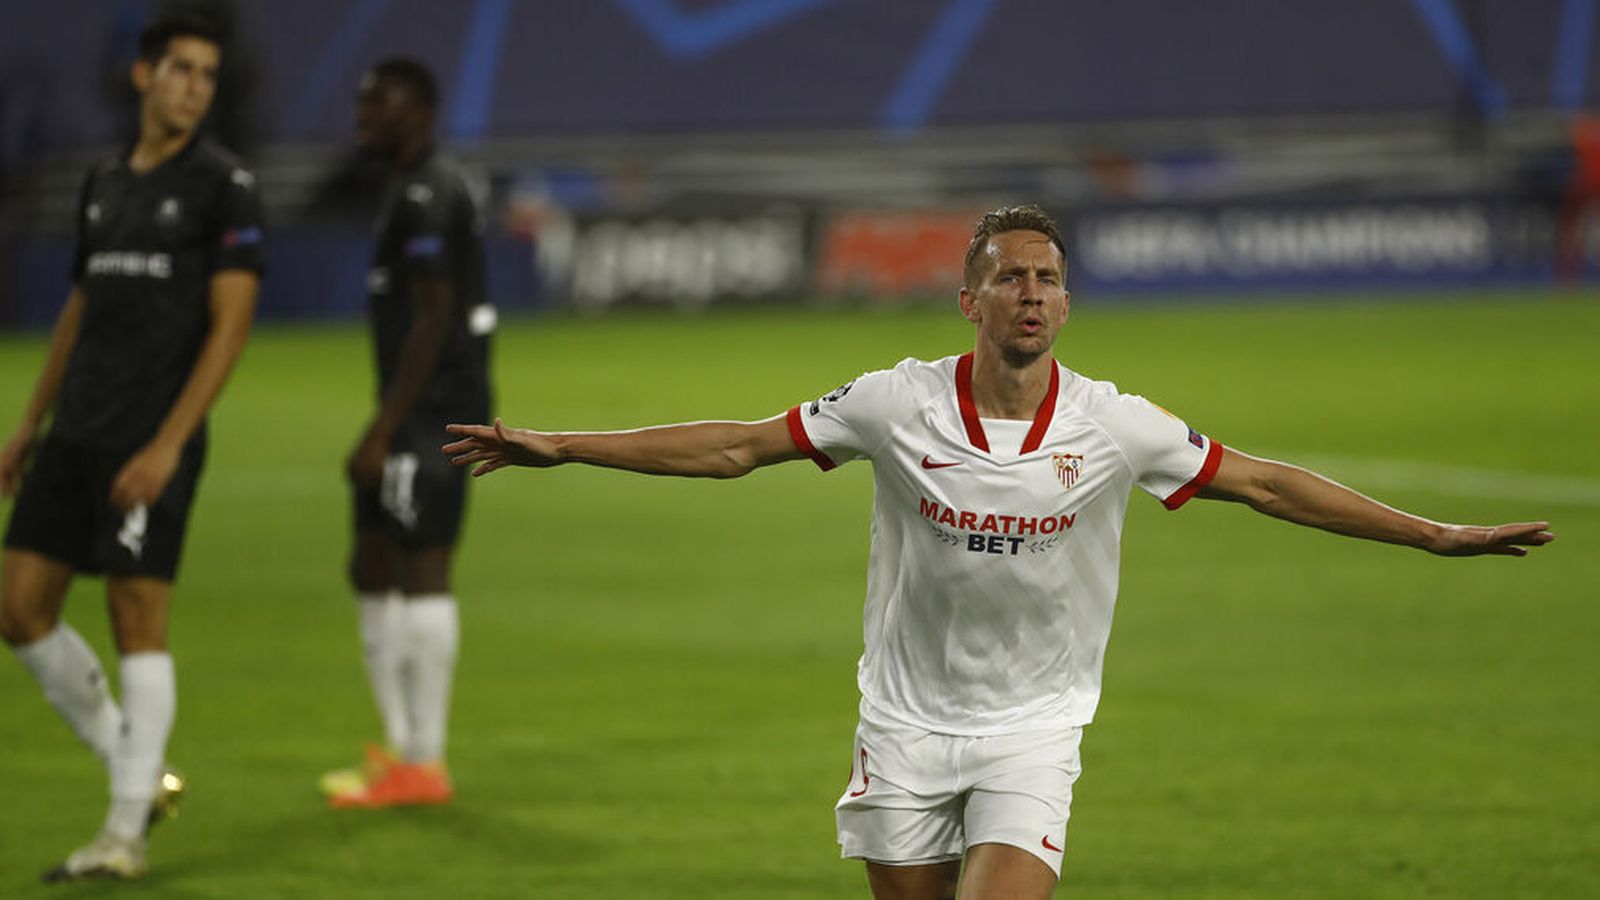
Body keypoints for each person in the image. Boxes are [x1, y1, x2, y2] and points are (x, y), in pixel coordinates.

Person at [441, 204, 1553, 900]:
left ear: (1067, 302)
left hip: (1032, 731)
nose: (1032, 293)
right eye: (1012, 276)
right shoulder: (893, 403)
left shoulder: (1114, 423)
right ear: (969, 295)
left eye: (1049, 277)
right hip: (902, 727)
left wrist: (1428, 534)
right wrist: (565, 447)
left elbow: (1261, 481)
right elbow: (738, 446)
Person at [0, 14, 263, 882]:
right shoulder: (105, 181)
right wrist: (30, 424)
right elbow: (81, 308)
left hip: (152, 437)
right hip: (76, 431)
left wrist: (169, 445)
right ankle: (138, 772)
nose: (194, 85)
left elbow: (230, 325)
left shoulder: (225, 186)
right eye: (181, 69)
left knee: (134, 619)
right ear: (142, 76)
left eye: (206, 75)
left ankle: (122, 838)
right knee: (18, 609)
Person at [320, 58, 495, 809]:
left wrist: (383, 429)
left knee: (422, 567)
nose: (362, 110)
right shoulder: (410, 189)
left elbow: (433, 318)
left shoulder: (427, 193)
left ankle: (424, 761)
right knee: (371, 564)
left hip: (433, 414)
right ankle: (401, 751)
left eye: (377, 100)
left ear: (418, 109)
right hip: (413, 409)